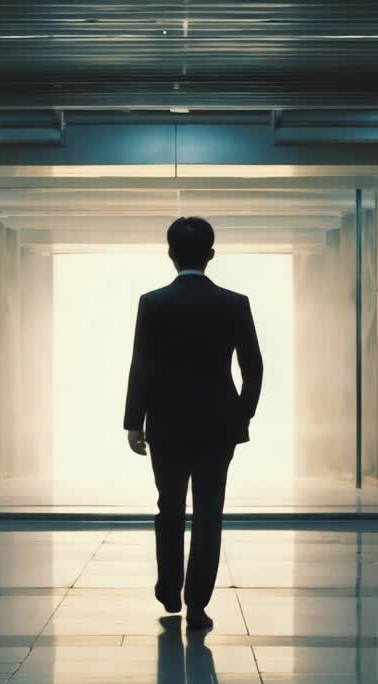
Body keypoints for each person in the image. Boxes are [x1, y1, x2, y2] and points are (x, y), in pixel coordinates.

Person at [123, 216, 263, 631]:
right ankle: (198, 604)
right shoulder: (234, 303)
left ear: (170, 253)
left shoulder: (153, 303)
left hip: (166, 422)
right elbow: (253, 369)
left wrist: (134, 421)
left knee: (168, 507)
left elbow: (140, 366)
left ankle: (169, 589)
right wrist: (241, 415)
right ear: (211, 254)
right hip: (218, 424)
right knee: (208, 512)